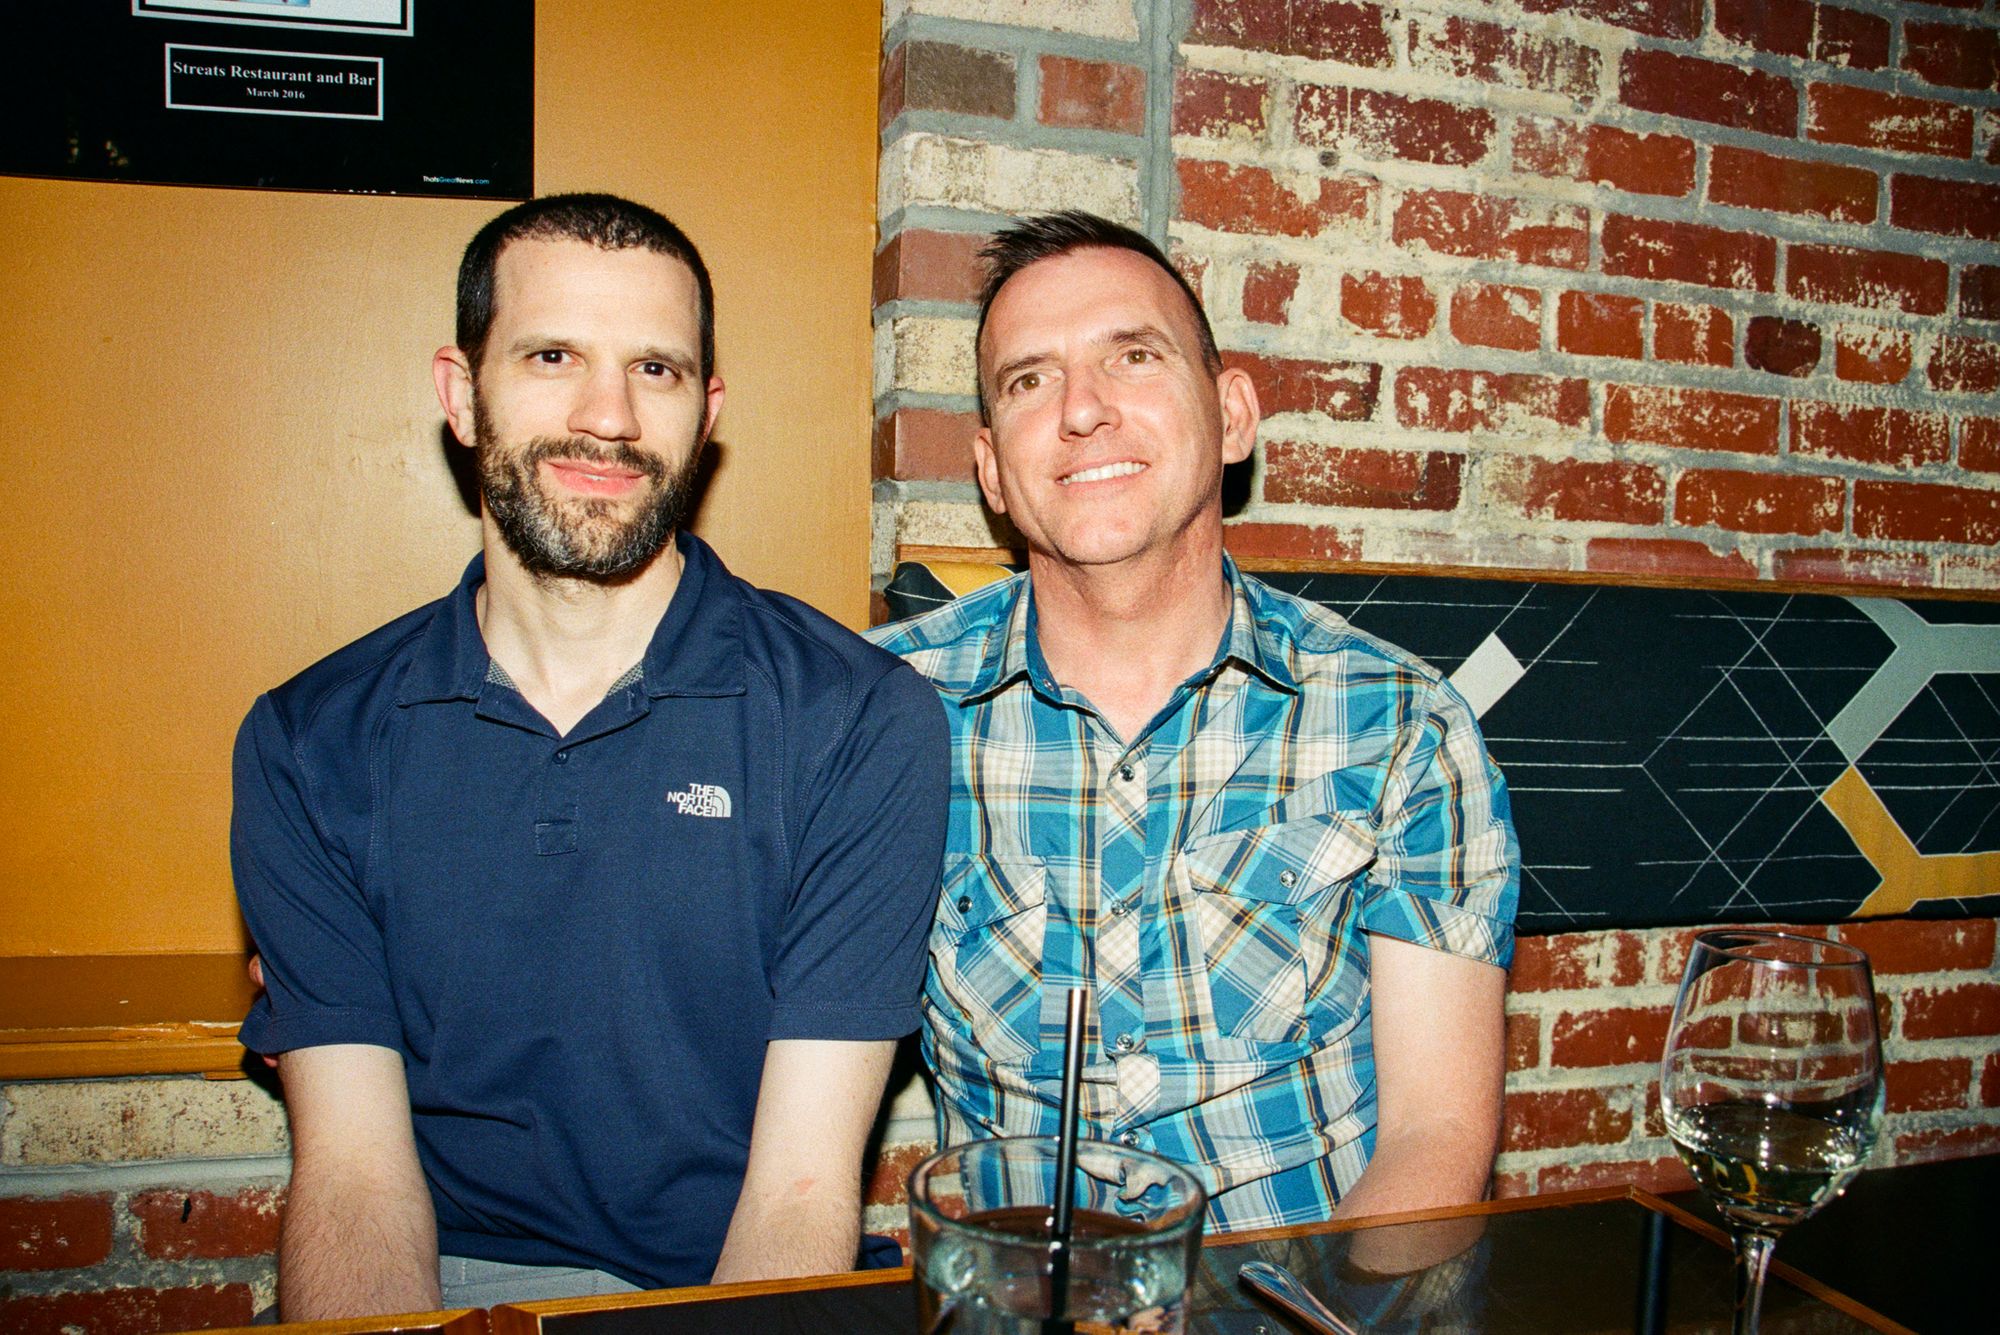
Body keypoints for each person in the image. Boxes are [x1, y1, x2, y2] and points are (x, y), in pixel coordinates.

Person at [232, 193, 948, 1317]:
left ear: (705, 414)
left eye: (655, 369)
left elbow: (800, 1195)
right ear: (461, 393)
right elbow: (357, 1182)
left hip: (722, 1289)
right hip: (446, 1289)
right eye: (552, 355)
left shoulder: (856, 720)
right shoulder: (310, 740)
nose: (608, 416)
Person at [870, 212, 1519, 1232]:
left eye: (1133, 356)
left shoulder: (1399, 724)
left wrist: (1333, 1306)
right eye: (1029, 379)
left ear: (1231, 416)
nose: (1082, 409)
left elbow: (1434, 1140)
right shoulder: (883, 714)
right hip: (1026, 1290)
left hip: (1304, 1295)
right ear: (991, 469)